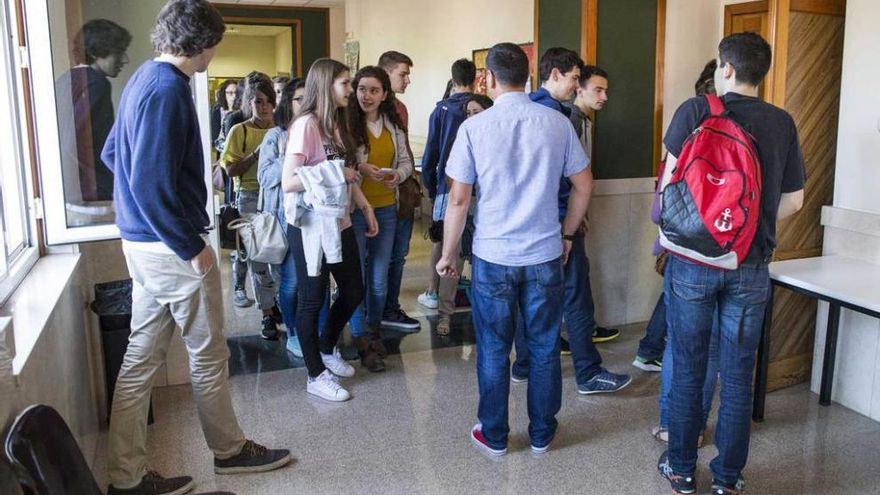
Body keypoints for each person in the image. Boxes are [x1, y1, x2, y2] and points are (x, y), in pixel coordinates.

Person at [100, 2, 290, 493]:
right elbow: (148, 181)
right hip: (170, 248)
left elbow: (111, 154)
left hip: (140, 245)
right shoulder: (168, 89)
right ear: (202, 43)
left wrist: (143, 219)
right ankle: (229, 453)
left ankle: (125, 478)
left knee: (139, 357)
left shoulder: (144, 77)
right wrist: (191, 246)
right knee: (208, 354)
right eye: (214, 44)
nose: (213, 54)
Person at [657, 33, 805, 495]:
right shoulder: (783, 122)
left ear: (725, 67)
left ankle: (681, 470)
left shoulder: (695, 110)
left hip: (695, 262)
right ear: (762, 72)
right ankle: (727, 477)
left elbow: (668, 187)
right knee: (739, 372)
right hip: (751, 263)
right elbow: (795, 202)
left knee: (688, 363)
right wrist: (747, 225)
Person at [437, 42, 593, 456]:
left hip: (493, 256)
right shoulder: (556, 123)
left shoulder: (474, 128)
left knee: (493, 347)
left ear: (487, 78)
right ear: (528, 76)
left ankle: (494, 433)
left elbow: (458, 200)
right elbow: (583, 185)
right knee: (543, 347)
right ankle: (542, 432)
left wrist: (448, 254)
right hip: (544, 253)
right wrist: (568, 234)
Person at [517, 49, 631, 395]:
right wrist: (571, 225)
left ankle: (523, 364)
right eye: (574, 78)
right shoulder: (558, 118)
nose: (576, 84)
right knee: (576, 296)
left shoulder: (518, 111)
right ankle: (587, 372)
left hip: (522, 226)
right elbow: (573, 182)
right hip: (556, 223)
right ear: (554, 74)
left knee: (528, 299)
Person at [281, 58, 378, 402]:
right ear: (326, 86)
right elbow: (289, 182)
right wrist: (339, 174)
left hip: (340, 222)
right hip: (310, 228)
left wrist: (365, 206)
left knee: (353, 289)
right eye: (346, 84)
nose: (351, 91)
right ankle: (314, 374)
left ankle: (325, 347)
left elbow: (345, 171)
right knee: (312, 299)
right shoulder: (305, 125)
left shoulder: (334, 125)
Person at [347, 66, 414, 371]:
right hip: (355, 210)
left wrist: (396, 176)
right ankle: (361, 339)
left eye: (374, 90)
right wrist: (361, 168)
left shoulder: (393, 124)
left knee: (378, 278)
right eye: (362, 89)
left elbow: (405, 162)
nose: (367, 96)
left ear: (385, 94)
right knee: (356, 277)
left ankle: (373, 332)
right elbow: (340, 163)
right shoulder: (346, 122)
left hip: (386, 208)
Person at [258, 78, 330, 358]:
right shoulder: (274, 136)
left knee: (319, 279)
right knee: (291, 282)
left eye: (308, 98)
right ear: (288, 103)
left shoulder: (321, 132)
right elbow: (265, 177)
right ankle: (295, 332)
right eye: (298, 99)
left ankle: (323, 336)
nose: (305, 104)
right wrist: (292, 155)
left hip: (319, 218)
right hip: (286, 219)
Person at [221, 75, 284, 340]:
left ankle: (282, 305)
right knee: (258, 260)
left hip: (278, 195)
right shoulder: (241, 131)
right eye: (259, 102)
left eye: (269, 101)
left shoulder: (283, 129)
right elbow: (230, 168)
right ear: (250, 103)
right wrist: (257, 154)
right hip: (249, 196)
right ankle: (267, 314)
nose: (265, 107)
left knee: (281, 257)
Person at [418, 58, 476, 335]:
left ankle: (443, 312)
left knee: (446, 247)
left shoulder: (441, 110)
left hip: (448, 187)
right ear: (475, 79)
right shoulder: (484, 108)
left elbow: (430, 155)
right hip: (482, 191)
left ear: (453, 80)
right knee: (472, 251)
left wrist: (431, 186)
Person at [58, 18, 131, 203]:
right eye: (118, 52)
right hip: (92, 193)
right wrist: (110, 183)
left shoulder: (66, 80)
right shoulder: (96, 84)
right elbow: (75, 142)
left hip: (69, 190)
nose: (125, 59)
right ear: (95, 52)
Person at [376, 50, 421, 331]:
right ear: (386, 72)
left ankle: (390, 307)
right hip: (374, 194)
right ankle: (373, 310)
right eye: (403, 74)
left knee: (398, 254)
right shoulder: (365, 108)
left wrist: (406, 176)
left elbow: (403, 152)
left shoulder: (400, 109)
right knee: (377, 257)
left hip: (401, 189)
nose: (407, 80)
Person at [211, 79, 238, 148]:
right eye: (230, 93)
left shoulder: (244, 111)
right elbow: (215, 136)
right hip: (222, 149)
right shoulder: (217, 111)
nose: (234, 96)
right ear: (224, 94)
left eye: (236, 93)